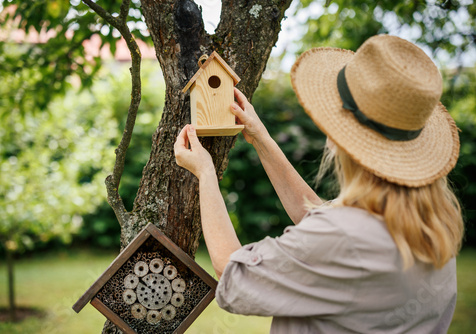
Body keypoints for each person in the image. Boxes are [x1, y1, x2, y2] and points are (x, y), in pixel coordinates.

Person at [174, 35, 464, 333]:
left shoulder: (343, 239)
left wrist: (206, 173)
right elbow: (320, 220)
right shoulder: (434, 230)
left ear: (341, 137)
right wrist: (262, 139)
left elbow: (233, 274)